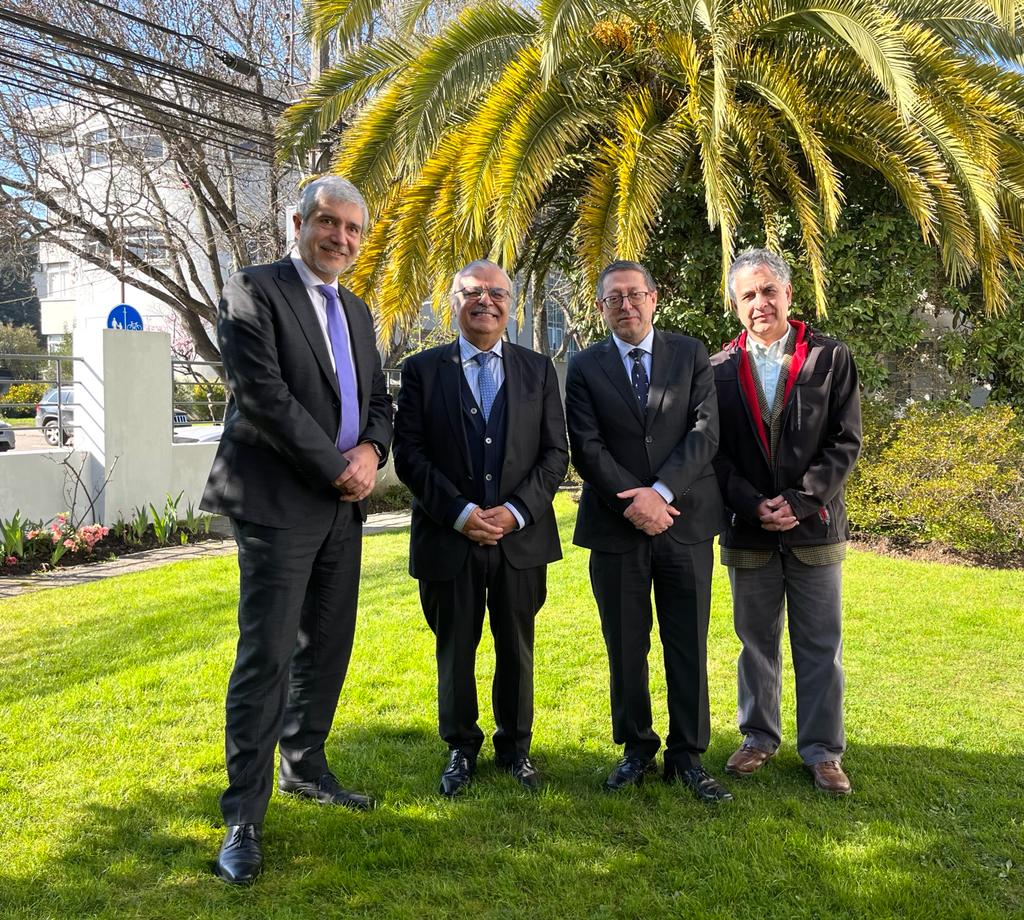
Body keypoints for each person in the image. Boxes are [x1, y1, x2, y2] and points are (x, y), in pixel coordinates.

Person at [201, 176, 393, 883]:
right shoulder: (254, 289)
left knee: (327, 648)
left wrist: (371, 452)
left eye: (352, 229)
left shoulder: (359, 310)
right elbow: (265, 399)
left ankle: (304, 766)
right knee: (268, 656)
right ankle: (243, 818)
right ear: (298, 221)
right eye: (329, 223)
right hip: (280, 500)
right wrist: (335, 467)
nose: (340, 238)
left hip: (343, 508)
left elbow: (377, 398)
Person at [393, 259, 568, 797]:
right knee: (455, 647)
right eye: (473, 292)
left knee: (516, 646)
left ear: (510, 305)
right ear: (453, 301)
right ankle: (460, 748)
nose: (485, 301)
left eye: (497, 293)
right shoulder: (423, 371)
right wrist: (462, 513)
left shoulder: (539, 370)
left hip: (520, 541)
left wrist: (514, 512)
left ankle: (516, 749)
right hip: (450, 538)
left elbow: (554, 454)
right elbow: (411, 455)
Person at [565, 259, 731, 803]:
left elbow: (706, 432)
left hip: (682, 524)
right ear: (601, 307)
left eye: (636, 295)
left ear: (654, 298)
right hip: (616, 530)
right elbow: (586, 446)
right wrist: (634, 503)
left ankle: (687, 754)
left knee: (688, 642)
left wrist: (659, 495)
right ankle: (636, 747)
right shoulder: (585, 366)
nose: (626, 306)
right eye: (614, 298)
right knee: (625, 645)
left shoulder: (690, 353)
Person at [711, 248, 861, 795]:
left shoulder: (829, 357)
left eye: (768, 291)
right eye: (747, 295)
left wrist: (798, 501)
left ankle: (823, 751)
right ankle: (757, 738)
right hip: (748, 528)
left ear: (788, 295)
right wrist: (753, 505)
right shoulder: (719, 368)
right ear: (735, 304)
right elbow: (715, 453)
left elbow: (846, 441)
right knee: (755, 641)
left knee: (820, 643)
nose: (759, 303)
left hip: (815, 526)